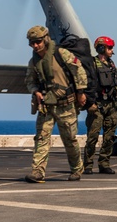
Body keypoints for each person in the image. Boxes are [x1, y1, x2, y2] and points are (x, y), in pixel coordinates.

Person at [24, 26, 87, 183]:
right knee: (41, 138)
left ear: (45, 39)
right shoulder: (34, 61)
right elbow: (29, 80)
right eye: (32, 43)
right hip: (46, 105)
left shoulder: (61, 54)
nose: (35, 46)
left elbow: (78, 70)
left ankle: (76, 168)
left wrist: (81, 92)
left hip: (66, 104)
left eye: (38, 42)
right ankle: (38, 171)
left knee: (70, 139)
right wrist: (35, 91)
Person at [83, 36, 117, 175]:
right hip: (96, 105)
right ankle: (88, 165)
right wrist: (89, 104)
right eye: (109, 48)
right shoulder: (92, 64)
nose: (112, 50)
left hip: (111, 104)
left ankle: (104, 163)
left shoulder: (111, 65)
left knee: (109, 137)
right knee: (92, 137)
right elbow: (85, 86)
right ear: (102, 48)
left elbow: (116, 85)